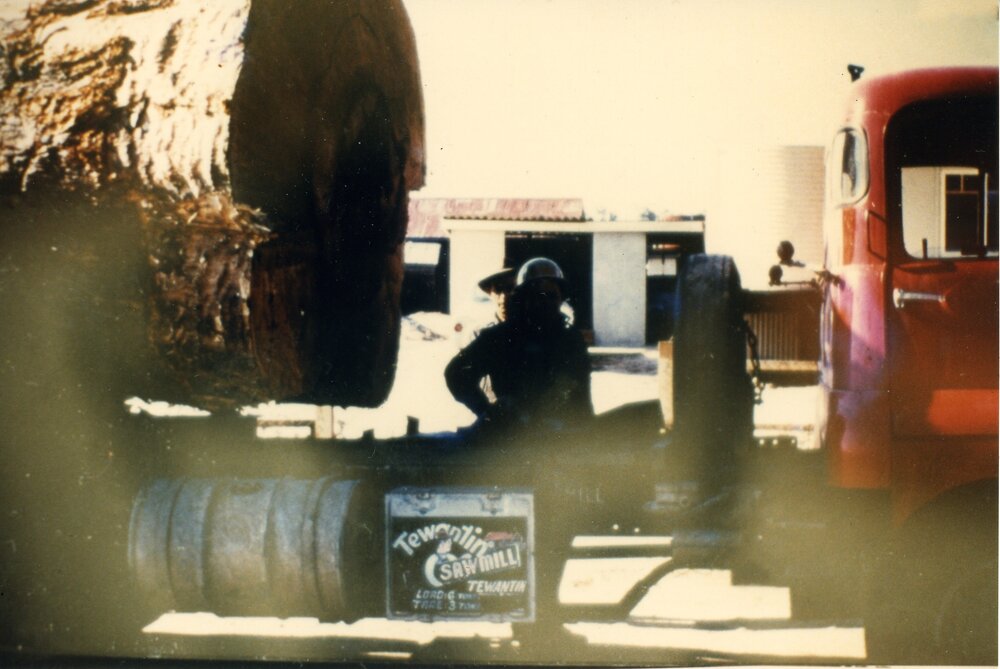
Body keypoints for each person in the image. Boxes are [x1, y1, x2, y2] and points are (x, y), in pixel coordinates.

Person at [445, 257, 592, 430]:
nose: (545, 302)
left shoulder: (572, 340)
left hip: (559, 437)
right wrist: (488, 412)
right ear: (524, 298)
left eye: (551, 296)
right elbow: (455, 373)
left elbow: (582, 396)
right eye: (538, 296)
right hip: (512, 436)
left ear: (561, 299)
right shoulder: (500, 336)